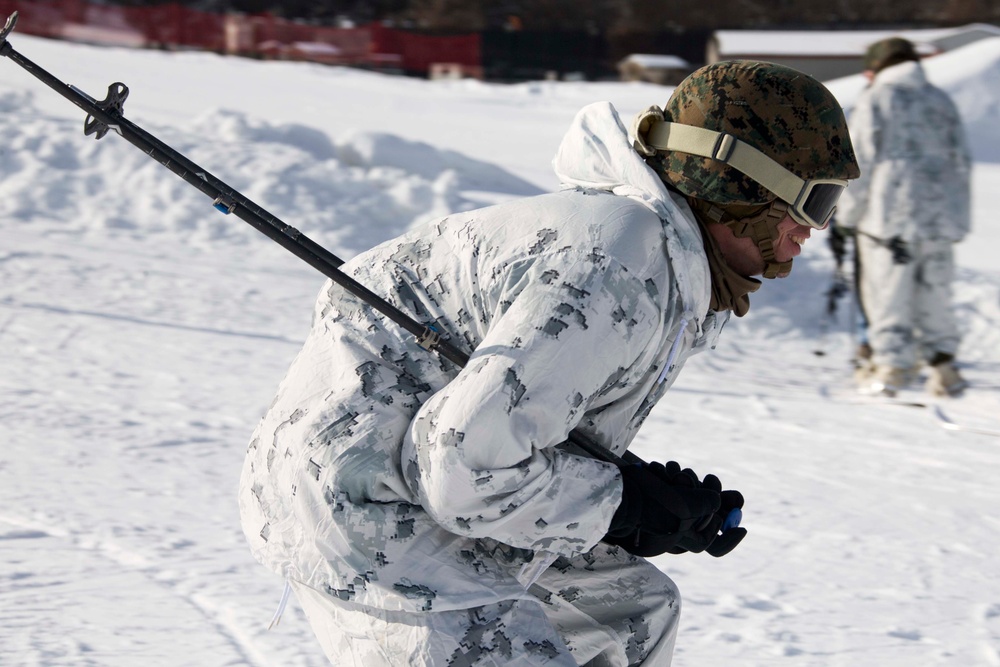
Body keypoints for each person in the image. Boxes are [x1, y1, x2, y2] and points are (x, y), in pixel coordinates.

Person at [238, 60, 859, 666]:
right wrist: (620, 507)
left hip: (421, 493)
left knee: (634, 614)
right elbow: (463, 468)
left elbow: (509, 437)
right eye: (815, 201)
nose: (812, 231)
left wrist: (649, 502)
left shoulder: (664, 264)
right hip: (366, 509)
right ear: (742, 185)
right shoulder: (617, 259)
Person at [836, 37, 972, 398]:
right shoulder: (940, 101)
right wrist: (959, 219)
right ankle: (944, 369)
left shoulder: (876, 99)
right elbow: (961, 160)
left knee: (887, 294)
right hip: (940, 219)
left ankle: (892, 369)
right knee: (935, 294)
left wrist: (846, 215)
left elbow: (859, 163)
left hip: (889, 220)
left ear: (876, 68)